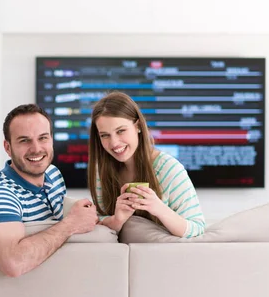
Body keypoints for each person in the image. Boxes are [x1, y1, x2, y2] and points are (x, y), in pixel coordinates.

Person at [0, 104, 98, 277]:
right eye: (24, 140)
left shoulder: (53, 173)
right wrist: (70, 224)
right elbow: (13, 263)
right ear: (8, 147)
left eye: (43, 138)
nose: (36, 148)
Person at [87, 91, 206, 238]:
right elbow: (98, 221)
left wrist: (158, 208)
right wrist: (117, 220)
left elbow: (197, 228)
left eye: (121, 131)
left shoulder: (168, 169)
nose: (114, 143)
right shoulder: (103, 170)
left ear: (137, 126)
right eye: (105, 135)